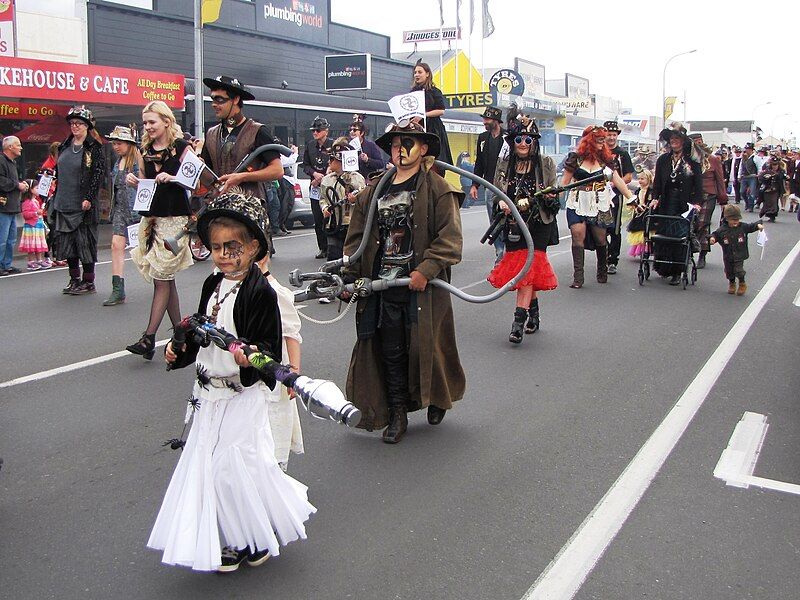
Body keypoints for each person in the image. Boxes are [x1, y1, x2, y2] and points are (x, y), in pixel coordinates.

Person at [149, 190, 315, 572]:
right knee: (212, 467)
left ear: (254, 246)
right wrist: (180, 353)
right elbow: (199, 333)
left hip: (242, 396)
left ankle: (247, 540)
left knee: (232, 468)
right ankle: (244, 536)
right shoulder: (213, 285)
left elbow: (270, 351)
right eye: (217, 247)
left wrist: (250, 358)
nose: (223, 255)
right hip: (207, 395)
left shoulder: (261, 293)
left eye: (233, 247)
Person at [340, 121, 465, 444]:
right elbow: (356, 241)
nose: (401, 149)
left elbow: (450, 239)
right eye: (396, 144)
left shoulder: (437, 187)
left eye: (408, 142)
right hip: (382, 287)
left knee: (428, 347)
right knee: (391, 350)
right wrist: (350, 277)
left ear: (423, 149)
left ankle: (438, 397)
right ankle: (397, 412)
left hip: (422, 286)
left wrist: (426, 269)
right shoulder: (373, 192)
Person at [126, 101, 194, 360]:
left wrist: (174, 178)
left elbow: (197, 180)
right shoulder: (144, 150)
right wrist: (135, 183)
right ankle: (180, 332)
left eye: (152, 121)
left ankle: (149, 337)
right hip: (152, 221)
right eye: (145, 123)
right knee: (164, 279)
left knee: (162, 279)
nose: (148, 127)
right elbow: (146, 187)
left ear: (166, 121)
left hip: (176, 223)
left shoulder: (181, 148)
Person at [486, 109, 559, 344]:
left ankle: (517, 323)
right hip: (513, 223)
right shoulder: (504, 164)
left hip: (538, 223)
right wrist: (503, 204)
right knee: (525, 271)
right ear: (513, 142)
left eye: (528, 139)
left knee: (527, 270)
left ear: (534, 142)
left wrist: (545, 198)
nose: (523, 143)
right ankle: (534, 314)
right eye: (518, 139)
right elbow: (497, 193)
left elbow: (554, 197)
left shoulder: (546, 163)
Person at [561, 126, 635, 289]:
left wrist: (631, 197)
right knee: (577, 235)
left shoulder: (606, 160)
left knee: (601, 239)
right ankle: (578, 277)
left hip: (599, 202)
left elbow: (617, 180)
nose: (603, 142)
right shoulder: (575, 159)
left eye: (603, 139)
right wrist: (552, 199)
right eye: (599, 139)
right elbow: (564, 183)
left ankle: (602, 269)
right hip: (577, 201)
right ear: (589, 141)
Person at [48, 106, 106, 293]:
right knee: (67, 245)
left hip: (83, 205)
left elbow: (97, 174)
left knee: (85, 244)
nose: (75, 127)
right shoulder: (64, 145)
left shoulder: (94, 147)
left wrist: (89, 197)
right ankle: (74, 279)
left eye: (79, 123)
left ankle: (88, 281)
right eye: (72, 123)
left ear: (87, 126)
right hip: (63, 202)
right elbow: (59, 171)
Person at [199, 75, 284, 199]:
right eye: (213, 99)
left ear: (236, 99)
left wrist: (242, 177)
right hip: (218, 205)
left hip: (248, 207)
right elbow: (207, 175)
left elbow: (277, 170)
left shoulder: (257, 131)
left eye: (220, 99)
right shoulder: (211, 133)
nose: (214, 104)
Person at [259, 255, 305, 472]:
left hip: (274, 371)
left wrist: (293, 375)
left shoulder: (274, 292)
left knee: (273, 423)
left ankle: (276, 473)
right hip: (247, 373)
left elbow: (291, 334)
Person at [650, 123, 703, 285]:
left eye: (677, 138)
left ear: (683, 141)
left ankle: (678, 271)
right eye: (671, 138)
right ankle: (664, 268)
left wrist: (697, 203)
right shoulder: (663, 160)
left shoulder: (692, 162)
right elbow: (657, 182)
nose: (673, 141)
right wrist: (655, 197)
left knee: (679, 236)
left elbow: (698, 185)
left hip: (683, 204)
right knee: (664, 235)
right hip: (666, 202)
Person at [103, 125, 143, 306]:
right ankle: (118, 289)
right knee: (116, 245)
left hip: (136, 210)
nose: (116, 147)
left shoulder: (138, 160)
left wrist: (137, 183)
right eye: (114, 143)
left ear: (129, 144)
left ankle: (162, 279)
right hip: (120, 209)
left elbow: (147, 184)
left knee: (145, 250)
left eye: (119, 143)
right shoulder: (117, 162)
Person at [319, 137, 366, 267]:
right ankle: (333, 281)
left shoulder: (356, 178)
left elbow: (364, 198)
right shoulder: (327, 180)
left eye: (332, 159)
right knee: (333, 257)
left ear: (341, 161)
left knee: (351, 257)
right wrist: (324, 209)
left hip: (350, 223)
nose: (330, 162)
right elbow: (323, 198)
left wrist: (355, 199)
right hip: (333, 224)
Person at [470, 106, 507, 262]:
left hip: (506, 186)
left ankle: (508, 251)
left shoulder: (507, 138)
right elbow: (479, 163)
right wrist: (475, 184)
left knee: (507, 219)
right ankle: (500, 252)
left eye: (487, 119)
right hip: (489, 186)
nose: (484, 122)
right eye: (484, 119)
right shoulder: (483, 138)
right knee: (493, 221)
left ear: (496, 121)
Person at [687, 132, 727, 269]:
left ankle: (702, 255)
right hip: (692, 195)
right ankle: (689, 252)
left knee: (703, 224)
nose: (699, 144)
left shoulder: (713, 159)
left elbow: (720, 180)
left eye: (700, 141)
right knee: (690, 223)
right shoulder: (689, 159)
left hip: (708, 194)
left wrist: (723, 200)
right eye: (695, 142)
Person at [709, 204, 764, 296]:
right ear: (727, 219)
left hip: (739, 254)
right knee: (729, 271)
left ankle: (742, 283)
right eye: (733, 220)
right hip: (728, 255)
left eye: (737, 220)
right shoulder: (722, 230)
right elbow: (715, 235)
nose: (736, 222)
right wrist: (712, 239)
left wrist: (758, 225)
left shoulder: (742, 227)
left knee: (739, 270)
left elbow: (751, 226)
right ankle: (732, 283)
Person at [603, 121, 634, 275]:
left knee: (614, 228)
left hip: (616, 195)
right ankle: (603, 255)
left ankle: (613, 260)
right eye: (609, 134)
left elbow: (628, 176)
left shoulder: (622, 154)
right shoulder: (598, 152)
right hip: (599, 194)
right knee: (600, 228)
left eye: (614, 135)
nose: (611, 137)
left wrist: (615, 184)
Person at [410, 61, 453, 168]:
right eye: (415, 72)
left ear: (427, 74)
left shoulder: (434, 91)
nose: (416, 75)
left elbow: (441, 110)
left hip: (433, 127)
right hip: (416, 127)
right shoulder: (412, 92)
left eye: (420, 72)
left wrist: (424, 115)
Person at [302, 116, 333, 259]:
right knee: (318, 219)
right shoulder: (309, 146)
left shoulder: (333, 145)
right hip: (315, 187)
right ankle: (322, 248)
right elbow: (305, 165)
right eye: (313, 130)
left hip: (331, 187)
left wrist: (326, 175)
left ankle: (333, 247)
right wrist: (314, 174)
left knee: (331, 218)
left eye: (318, 130)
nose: (315, 133)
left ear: (326, 131)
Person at [0, 136, 29, 276]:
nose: (21, 148)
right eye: (18, 145)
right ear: (10, 147)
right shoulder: (1, 161)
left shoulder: (12, 163)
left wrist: (21, 184)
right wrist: (17, 185)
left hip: (11, 206)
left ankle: (7, 264)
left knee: (10, 239)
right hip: (3, 207)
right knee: (2, 238)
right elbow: (1, 181)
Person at [18, 180, 49, 270]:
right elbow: (25, 215)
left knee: (38, 245)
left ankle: (39, 260)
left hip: (38, 225)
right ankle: (31, 261)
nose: (38, 190)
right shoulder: (27, 202)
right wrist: (36, 213)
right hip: (31, 226)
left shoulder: (35, 201)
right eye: (36, 188)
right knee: (31, 245)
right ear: (30, 190)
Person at [349, 114, 386, 178]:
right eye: (350, 130)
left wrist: (367, 160)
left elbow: (380, 164)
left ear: (362, 132)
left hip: (367, 181)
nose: (352, 132)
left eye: (355, 130)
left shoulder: (371, 146)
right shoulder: (347, 146)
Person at [627, 168, 653, 258]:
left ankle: (646, 250)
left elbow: (650, 201)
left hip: (647, 214)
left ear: (648, 179)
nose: (640, 181)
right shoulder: (638, 190)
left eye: (642, 179)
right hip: (638, 214)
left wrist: (646, 207)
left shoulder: (650, 191)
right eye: (639, 179)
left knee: (646, 233)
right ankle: (641, 250)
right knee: (639, 233)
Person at [758, 154, 786, 222]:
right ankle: (766, 212)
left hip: (776, 189)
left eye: (776, 165)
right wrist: (766, 178)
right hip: (767, 189)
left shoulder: (781, 171)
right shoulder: (766, 171)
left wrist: (783, 177)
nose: (774, 166)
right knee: (767, 202)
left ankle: (772, 216)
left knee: (774, 202)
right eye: (773, 165)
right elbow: (761, 177)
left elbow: (784, 177)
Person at [739, 143, 759, 212]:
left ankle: (751, 206)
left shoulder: (755, 158)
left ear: (751, 150)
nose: (747, 151)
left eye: (748, 149)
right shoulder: (743, 158)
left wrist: (759, 175)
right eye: (746, 149)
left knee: (752, 192)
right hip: (744, 176)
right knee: (742, 192)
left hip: (752, 176)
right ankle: (747, 203)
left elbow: (759, 167)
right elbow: (741, 167)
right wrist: (739, 175)